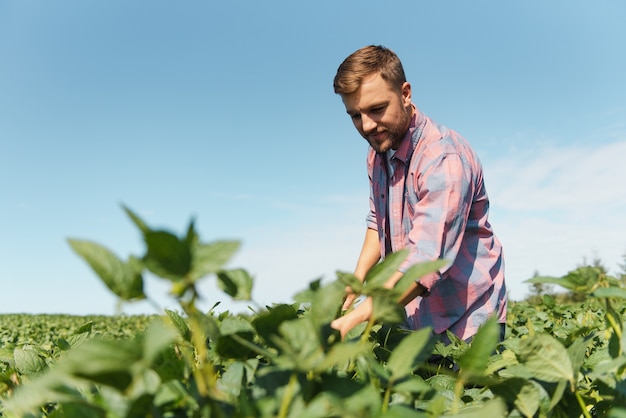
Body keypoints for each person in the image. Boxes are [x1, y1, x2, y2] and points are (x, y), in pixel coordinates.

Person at [330, 45, 507, 343]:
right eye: (355, 116)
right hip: (415, 317)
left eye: (376, 109)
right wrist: (357, 278)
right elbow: (378, 220)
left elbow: (427, 258)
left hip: (468, 323)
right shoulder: (378, 154)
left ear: (406, 93)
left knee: (468, 391)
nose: (367, 125)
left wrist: (355, 320)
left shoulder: (443, 158)